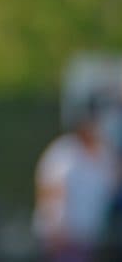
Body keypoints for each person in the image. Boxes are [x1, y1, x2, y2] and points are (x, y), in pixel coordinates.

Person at [33, 95, 120, 262]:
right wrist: (55, 228)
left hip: (88, 238)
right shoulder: (64, 153)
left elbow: (114, 183)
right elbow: (49, 192)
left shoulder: (104, 155)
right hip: (64, 239)